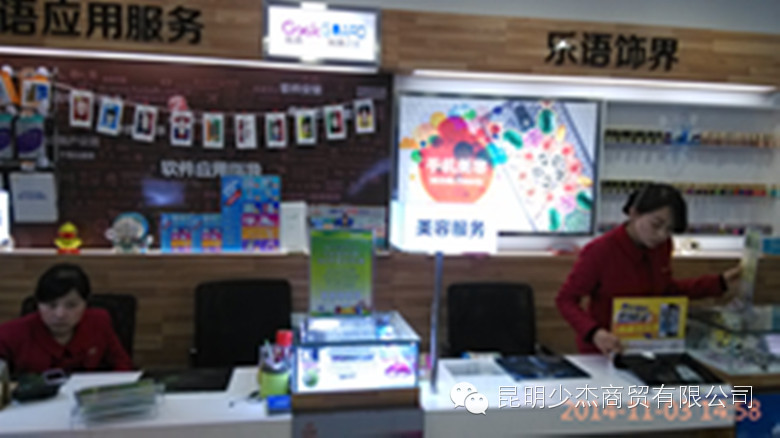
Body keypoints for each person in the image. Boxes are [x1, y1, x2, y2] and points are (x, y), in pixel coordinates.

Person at [555, 183, 741, 355]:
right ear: (634, 213)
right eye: (656, 225)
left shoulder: (663, 246)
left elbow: (666, 291)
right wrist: (595, 333)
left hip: (649, 347)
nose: (661, 235)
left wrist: (719, 282)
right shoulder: (600, 251)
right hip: (605, 352)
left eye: (669, 229)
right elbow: (566, 300)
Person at [0, 263, 133, 375]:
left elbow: (122, 365)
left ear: (86, 303)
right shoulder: (10, 333)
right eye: (51, 305)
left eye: (71, 305)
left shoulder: (99, 322)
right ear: (38, 304)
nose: (60, 314)